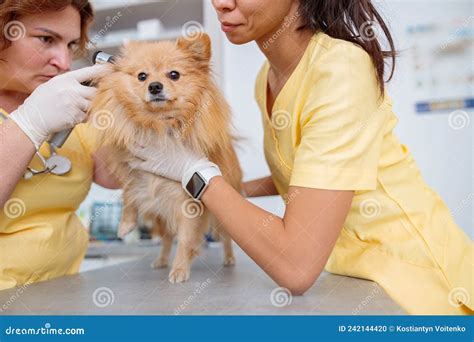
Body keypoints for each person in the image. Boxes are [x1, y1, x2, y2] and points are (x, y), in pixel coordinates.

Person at [128, 0, 473, 314]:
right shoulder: (268, 77)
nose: (221, 3)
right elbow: (302, 179)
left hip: (421, 286)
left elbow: (296, 267)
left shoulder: (339, 68)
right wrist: (227, 187)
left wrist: (196, 173)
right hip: (356, 283)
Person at [0, 0, 119, 290]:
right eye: (46, 39)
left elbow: (113, 177)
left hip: (64, 295)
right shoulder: (47, 108)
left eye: (70, 45)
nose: (63, 63)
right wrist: (30, 123)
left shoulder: (64, 107)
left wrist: (124, 113)